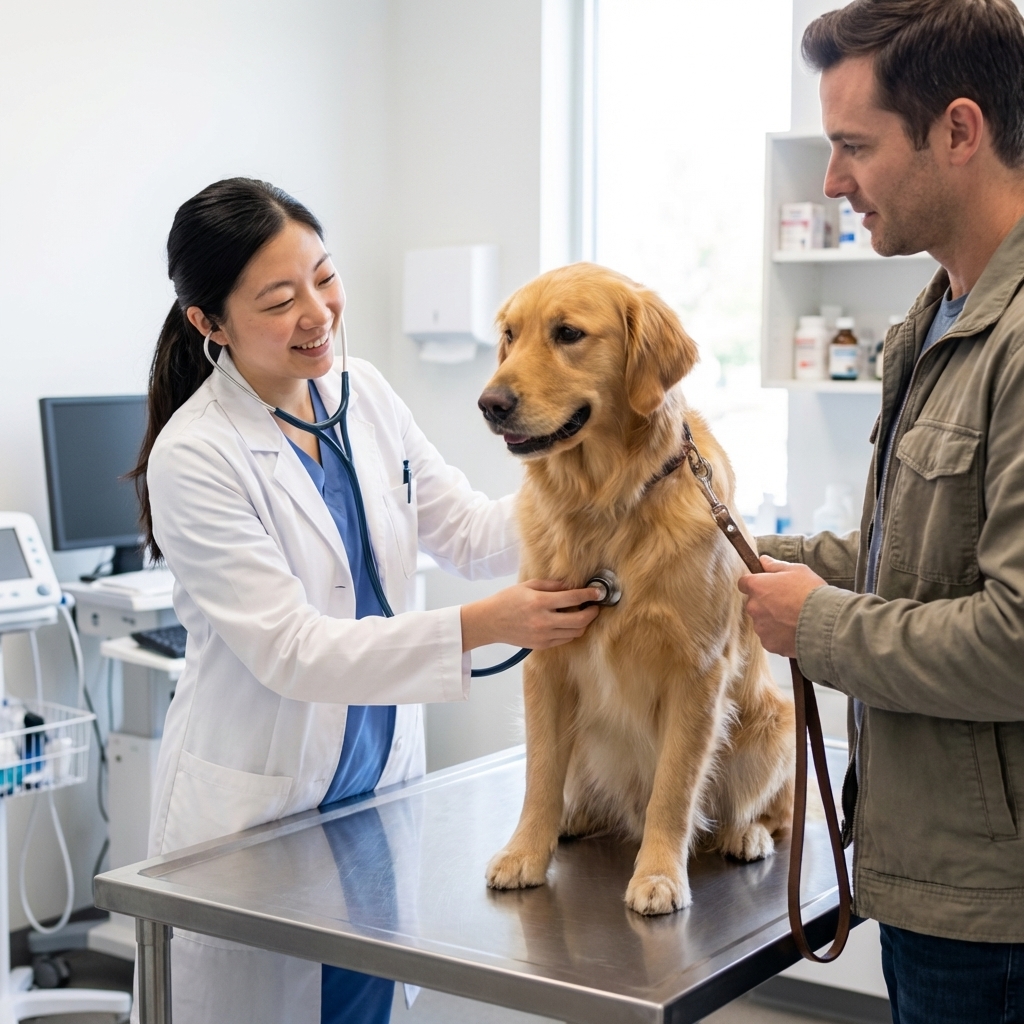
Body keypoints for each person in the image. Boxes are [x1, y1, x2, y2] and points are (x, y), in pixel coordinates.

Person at [129, 177, 601, 1024]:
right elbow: (295, 651)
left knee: (360, 1007)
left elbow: (466, 529)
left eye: (323, 276)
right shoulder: (195, 456)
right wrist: (486, 623)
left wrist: (597, 475)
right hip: (258, 818)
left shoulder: (365, 395)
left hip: (372, 803)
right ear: (209, 324)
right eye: (279, 299)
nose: (317, 312)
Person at [739, 1, 1024, 1021]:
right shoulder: (936, 315)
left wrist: (812, 626)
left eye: (852, 146)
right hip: (920, 874)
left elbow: (1013, 638)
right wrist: (716, 554)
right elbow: (901, 556)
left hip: (997, 918)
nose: (831, 181)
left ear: (958, 130)